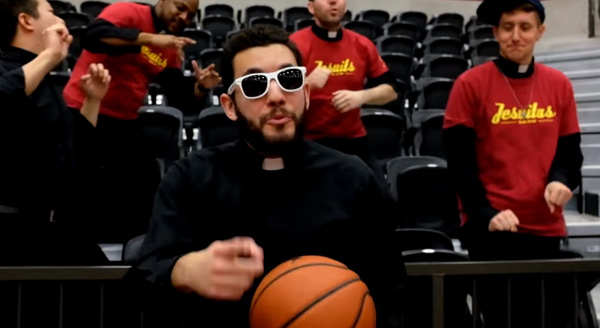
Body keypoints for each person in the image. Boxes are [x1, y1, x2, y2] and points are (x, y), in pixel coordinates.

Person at [130, 25, 405, 328]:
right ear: (230, 106)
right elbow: (143, 280)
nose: (276, 96)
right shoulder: (189, 178)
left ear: (306, 93)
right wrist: (181, 271)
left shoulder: (355, 178)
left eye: (289, 79)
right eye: (255, 84)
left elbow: (391, 291)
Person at [443, 0, 583, 327]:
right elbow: (459, 164)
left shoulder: (559, 84)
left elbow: (570, 153)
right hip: (491, 229)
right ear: (495, 32)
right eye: (508, 27)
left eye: (525, 27)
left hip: (544, 226)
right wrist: (486, 213)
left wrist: (560, 180)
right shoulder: (469, 85)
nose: (516, 35)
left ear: (540, 32)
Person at [62, 0, 222, 243]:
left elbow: (181, 97)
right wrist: (152, 39)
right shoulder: (129, 11)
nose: (184, 17)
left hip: (124, 119)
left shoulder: (169, 48)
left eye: (190, 15)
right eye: (180, 7)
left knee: (146, 184)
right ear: (163, 1)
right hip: (84, 109)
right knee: (84, 183)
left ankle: (135, 252)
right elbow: (94, 37)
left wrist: (200, 86)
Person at [0, 0, 111, 264]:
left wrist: (92, 101)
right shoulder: (8, 69)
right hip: (11, 233)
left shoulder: (44, 81)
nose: (61, 19)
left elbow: (74, 153)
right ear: (26, 21)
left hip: (56, 229)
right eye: (52, 12)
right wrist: (50, 55)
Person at [289, 0, 399, 170]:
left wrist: (362, 96)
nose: (333, 2)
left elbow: (392, 90)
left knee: (381, 193)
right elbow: (276, 95)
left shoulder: (362, 44)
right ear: (311, 7)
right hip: (307, 141)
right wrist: (306, 84)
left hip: (353, 140)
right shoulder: (293, 45)